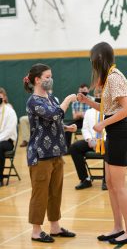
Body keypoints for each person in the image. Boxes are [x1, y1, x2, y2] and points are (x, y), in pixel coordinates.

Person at [77, 42, 127, 245]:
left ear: (100, 59)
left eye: (93, 59)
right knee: (111, 184)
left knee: (120, 186)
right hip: (113, 133)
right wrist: (88, 102)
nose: (92, 64)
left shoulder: (115, 77)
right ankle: (118, 227)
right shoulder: (109, 78)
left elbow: (126, 109)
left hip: (119, 133)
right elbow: (108, 107)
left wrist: (102, 123)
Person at [23, 63, 77, 243]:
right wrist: (68, 100)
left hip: (56, 151)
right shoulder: (33, 101)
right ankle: (36, 231)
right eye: (47, 77)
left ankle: (55, 227)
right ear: (37, 80)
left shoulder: (51, 98)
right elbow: (54, 115)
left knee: (56, 191)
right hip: (40, 154)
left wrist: (65, 127)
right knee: (40, 193)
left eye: (51, 76)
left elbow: (53, 121)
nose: (50, 79)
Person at [69, 88, 107, 190]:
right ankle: (85, 179)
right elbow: (85, 128)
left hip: (105, 141)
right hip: (92, 141)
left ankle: (107, 180)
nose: (99, 96)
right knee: (74, 148)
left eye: (101, 94)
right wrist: (89, 139)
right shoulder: (88, 112)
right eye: (97, 94)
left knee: (108, 147)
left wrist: (101, 141)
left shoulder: (109, 110)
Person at [65, 83, 93, 149]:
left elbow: (91, 115)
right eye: (81, 91)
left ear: (88, 91)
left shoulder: (92, 100)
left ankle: (95, 145)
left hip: (90, 121)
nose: (82, 92)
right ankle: (67, 149)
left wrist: (80, 114)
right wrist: (83, 114)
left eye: (84, 90)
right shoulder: (75, 101)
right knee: (68, 127)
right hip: (79, 121)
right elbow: (75, 116)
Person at [0, 88, 17, 187]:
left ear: (4, 98)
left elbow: (9, 131)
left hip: (7, 141)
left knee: (0, 147)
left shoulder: (9, 111)